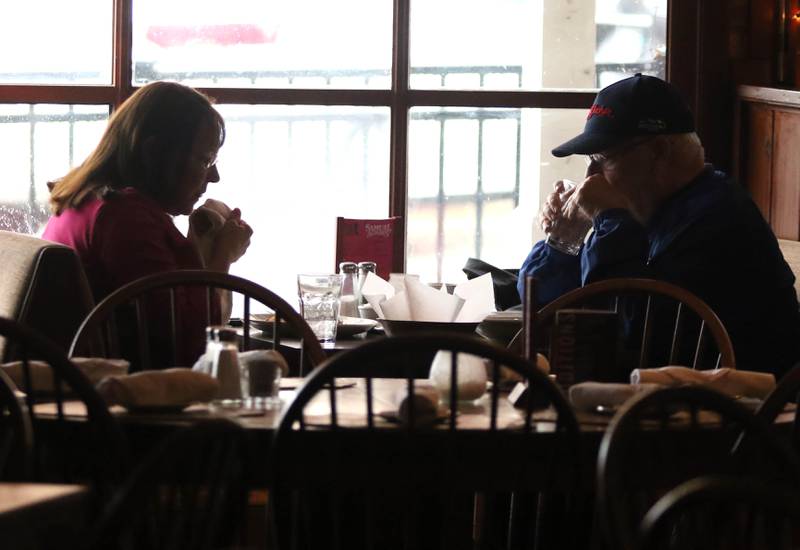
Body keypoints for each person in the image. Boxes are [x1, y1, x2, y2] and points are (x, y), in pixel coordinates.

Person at [518, 74, 800, 378]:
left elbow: (630, 335)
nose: (591, 176)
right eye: (590, 160)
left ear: (660, 152)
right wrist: (564, 238)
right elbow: (538, 308)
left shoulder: (717, 218)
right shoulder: (641, 212)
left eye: (604, 158)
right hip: (658, 404)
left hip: (737, 414)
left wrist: (611, 218)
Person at [43, 81, 253, 368]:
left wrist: (195, 245)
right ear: (154, 153)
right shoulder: (125, 219)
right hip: (120, 400)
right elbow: (187, 346)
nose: (214, 176)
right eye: (205, 160)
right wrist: (222, 256)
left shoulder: (87, 201)